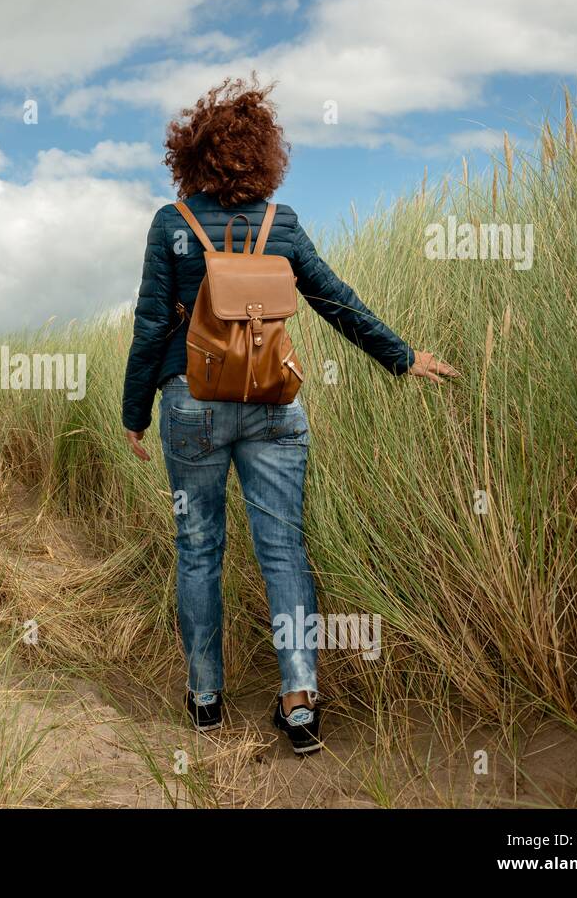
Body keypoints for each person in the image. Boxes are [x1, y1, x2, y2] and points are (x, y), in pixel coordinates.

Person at [121, 77, 458, 752]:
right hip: (275, 403)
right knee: (284, 551)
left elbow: (152, 325)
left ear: (193, 156)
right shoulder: (285, 225)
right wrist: (401, 355)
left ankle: (206, 697)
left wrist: (134, 413)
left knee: (198, 548)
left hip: (193, 405)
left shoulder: (172, 224)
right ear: (263, 155)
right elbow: (337, 300)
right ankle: (300, 702)